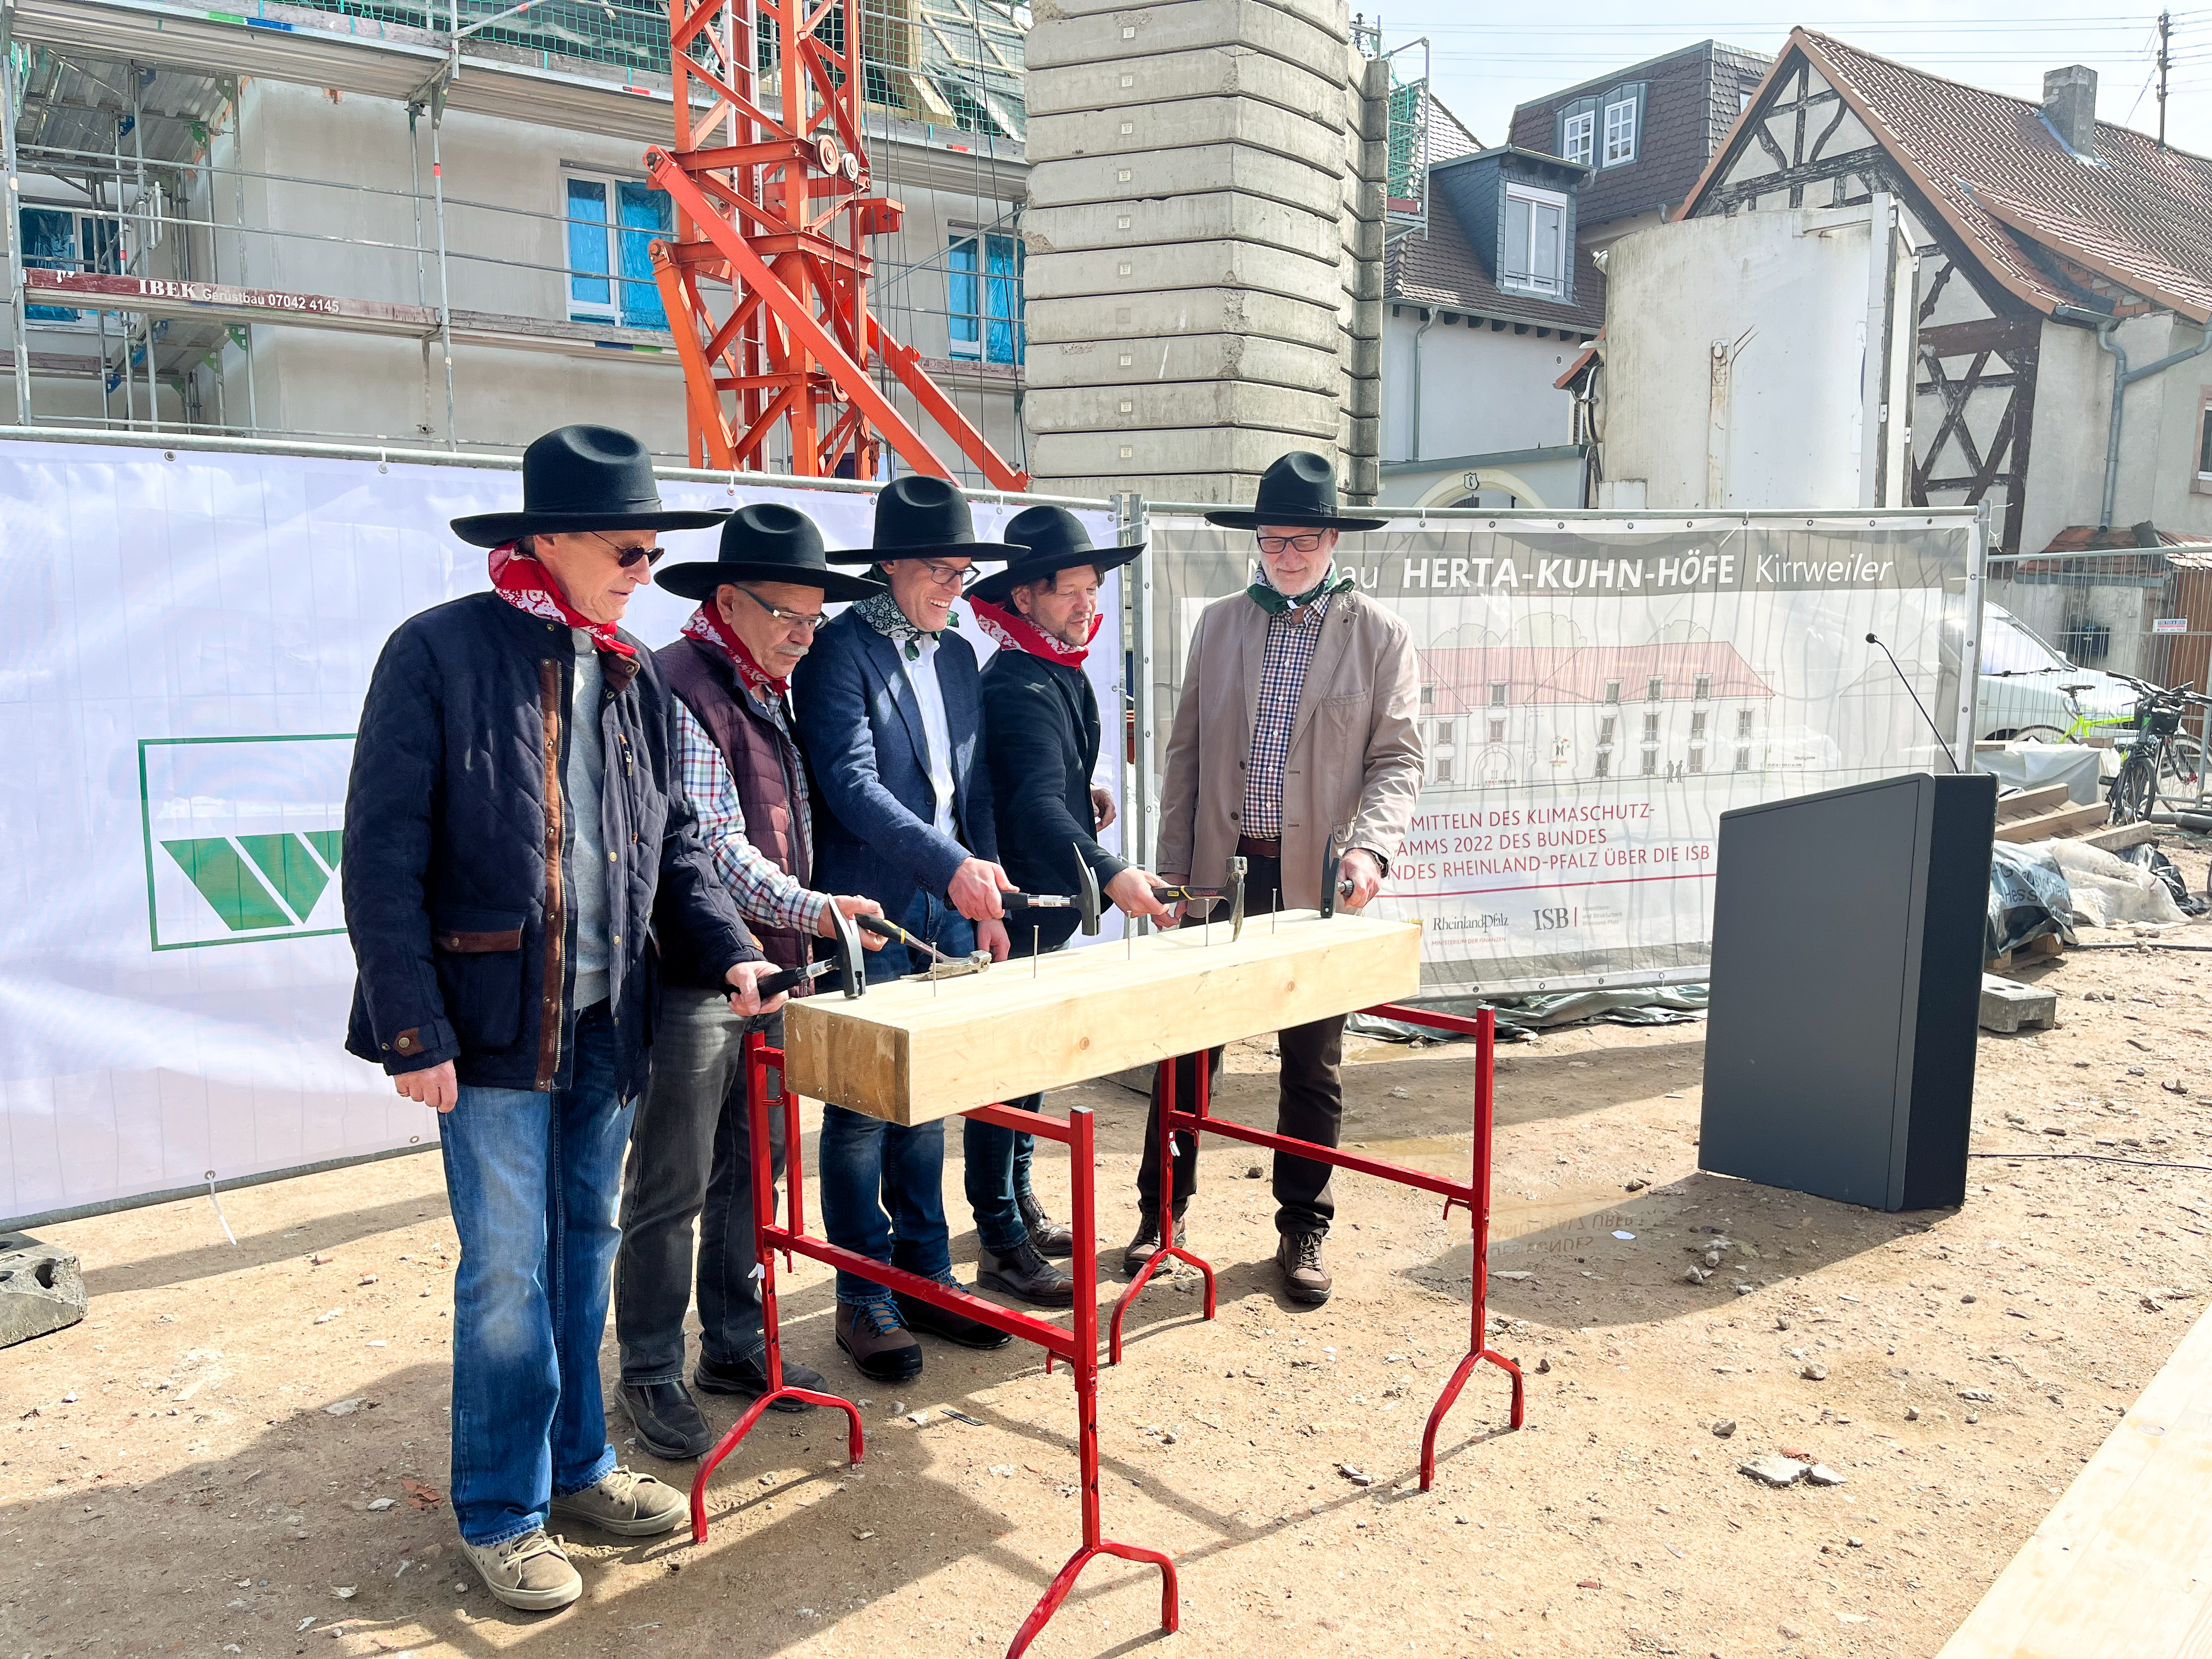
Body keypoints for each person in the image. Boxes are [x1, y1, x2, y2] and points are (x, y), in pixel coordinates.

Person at [342, 426, 788, 1611]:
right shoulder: (436, 652)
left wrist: (734, 950)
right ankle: (502, 1509)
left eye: (653, 552)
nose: (646, 572)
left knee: (582, 1252)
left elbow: (677, 842)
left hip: (605, 1024)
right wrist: (411, 1028)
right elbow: (381, 855)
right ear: (547, 542)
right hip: (484, 1027)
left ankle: (581, 1466)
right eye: (631, 551)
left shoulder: (627, 669)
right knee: (506, 1275)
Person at [611, 503, 890, 1460]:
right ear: (727, 601)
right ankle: (649, 1365)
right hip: (699, 973)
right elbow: (715, 847)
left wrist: (804, 921)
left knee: (752, 1165)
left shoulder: (757, 678)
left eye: (815, 621)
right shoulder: (683, 682)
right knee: (674, 1179)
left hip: (767, 969)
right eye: (788, 617)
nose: (805, 638)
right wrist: (815, 909)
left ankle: (733, 1343)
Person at [1132, 450, 1423, 1307]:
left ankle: (1304, 1224)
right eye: (1271, 540)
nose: (1285, 556)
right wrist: (1174, 874)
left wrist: (1370, 849)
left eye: (1301, 540)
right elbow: (1184, 758)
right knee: (1186, 1052)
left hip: (1317, 883)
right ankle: (1162, 1214)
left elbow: (1397, 760)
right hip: (1223, 877)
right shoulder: (1221, 623)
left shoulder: (1377, 635)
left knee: (1312, 1063)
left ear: (1333, 538)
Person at [793, 476, 1065, 1383]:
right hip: (868, 913)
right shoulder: (838, 653)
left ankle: (926, 1275)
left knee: (926, 1101)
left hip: (949, 909)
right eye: (937, 571)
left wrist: (985, 899)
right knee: (864, 1108)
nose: (954, 587)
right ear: (889, 567)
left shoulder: (954, 658)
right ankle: (863, 1292)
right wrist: (949, 867)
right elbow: (852, 785)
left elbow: (972, 788)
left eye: (962, 571)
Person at [972, 505, 1176, 1220]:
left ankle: (1017, 1202)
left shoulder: (1052, 669)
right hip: (1019, 909)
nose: (1087, 606)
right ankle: (1000, 1232)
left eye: (1094, 590)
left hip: (1048, 902)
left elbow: (1037, 780)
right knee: (1005, 1072)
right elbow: (1030, 806)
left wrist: (1077, 787)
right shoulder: (1017, 683)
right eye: (1070, 591)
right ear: (1024, 597)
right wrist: (1111, 869)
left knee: (1029, 1069)